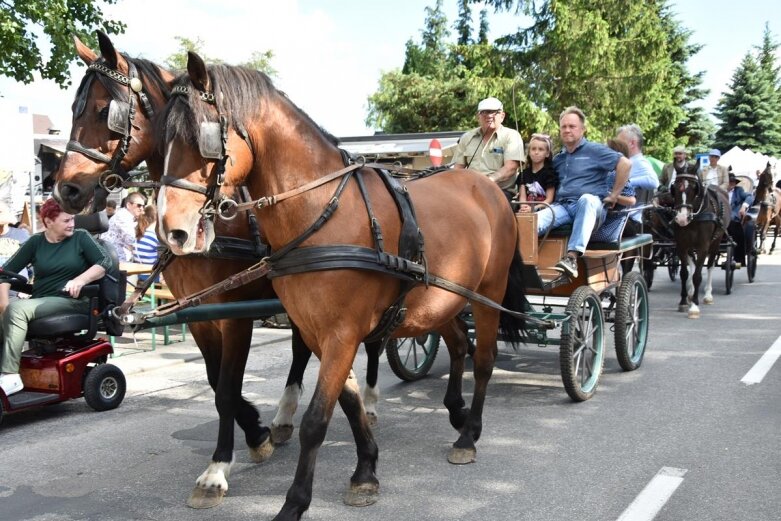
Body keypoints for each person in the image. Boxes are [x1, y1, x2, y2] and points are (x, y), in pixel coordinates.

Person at [0, 198, 112, 396]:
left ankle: (10, 376)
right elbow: (5, 272)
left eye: (72, 219)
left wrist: (80, 280)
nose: (72, 224)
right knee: (8, 311)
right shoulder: (36, 242)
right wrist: (3, 301)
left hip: (73, 301)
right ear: (48, 222)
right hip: (41, 302)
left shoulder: (81, 237)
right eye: (66, 220)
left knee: (17, 310)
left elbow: (105, 261)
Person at [536, 106, 632, 278]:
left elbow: (625, 164)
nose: (567, 130)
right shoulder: (558, 158)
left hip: (592, 207)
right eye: (564, 127)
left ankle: (572, 257)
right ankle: (522, 264)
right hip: (563, 207)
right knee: (532, 222)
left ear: (582, 129)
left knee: (586, 199)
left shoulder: (595, 150)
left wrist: (614, 195)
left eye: (572, 126)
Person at [451, 97, 524, 201]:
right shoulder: (467, 137)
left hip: (499, 191)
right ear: (478, 116)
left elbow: (511, 167)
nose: (489, 116)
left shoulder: (511, 136)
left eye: (495, 112)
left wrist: (488, 180)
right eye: (484, 112)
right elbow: (458, 168)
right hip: (470, 190)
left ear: (502, 116)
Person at [615, 124, 659, 236]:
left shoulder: (639, 162)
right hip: (620, 217)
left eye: (620, 142)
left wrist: (627, 182)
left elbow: (654, 181)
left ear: (632, 143)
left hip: (627, 220)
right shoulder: (627, 161)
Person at [515, 133, 557, 212]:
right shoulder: (523, 174)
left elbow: (549, 199)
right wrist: (524, 208)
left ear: (547, 153)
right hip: (525, 211)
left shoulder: (550, 174)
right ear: (529, 152)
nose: (536, 152)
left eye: (541, 149)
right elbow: (522, 198)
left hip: (543, 210)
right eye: (533, 149)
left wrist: (533, 208)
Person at [101, 192, 146, 262]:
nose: (142, 209)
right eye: (139, 205)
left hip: (116, 255)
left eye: (143, 206)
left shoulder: (127, 216)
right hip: (114, 258)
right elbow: (131, 241)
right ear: (128, 205)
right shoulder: (123, 217)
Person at [0, 202, 30, 296]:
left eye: (0, 212)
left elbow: (36, 264)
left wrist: (27, 290)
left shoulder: (21, 234)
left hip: (18, 293)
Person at [726, 173, 755, 268]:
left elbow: (750, 197)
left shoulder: (739, 191)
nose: (731, 183)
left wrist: (744, 206)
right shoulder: (719, 191)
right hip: (720, 217)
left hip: (733, 217)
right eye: (730, 181)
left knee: (734, 223)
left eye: (733, 182)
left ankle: (738, 258)